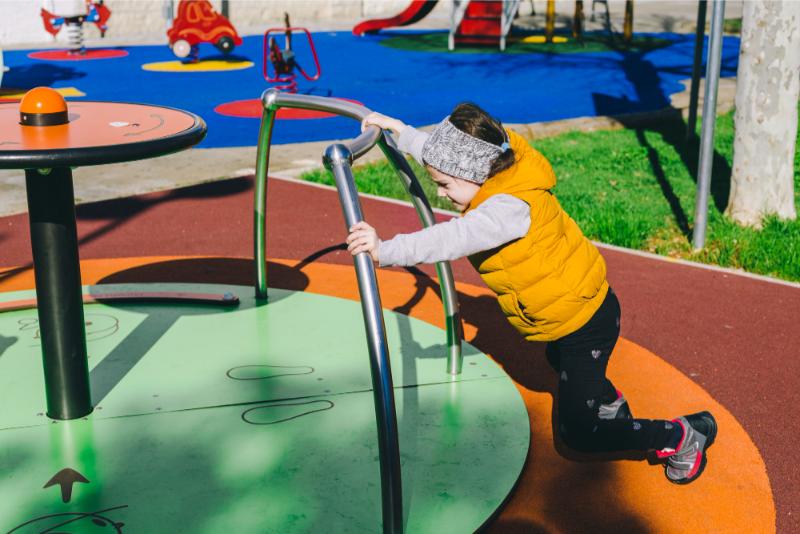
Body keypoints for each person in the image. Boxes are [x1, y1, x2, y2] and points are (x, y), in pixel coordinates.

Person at [346, 102, 717, 484]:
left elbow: (452, 238)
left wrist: (386, 249)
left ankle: (681, 436)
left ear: (475, 174)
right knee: (558, 356)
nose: (440, 194)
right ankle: (606, 399)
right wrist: (398, 128)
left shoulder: (508, 208)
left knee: (579, 434)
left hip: (584, 321)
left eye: (444, 185)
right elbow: (441, 155)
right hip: (570, 312)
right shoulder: (494, 169)